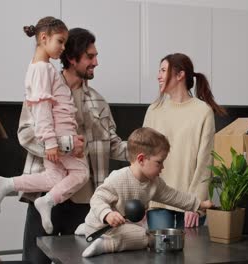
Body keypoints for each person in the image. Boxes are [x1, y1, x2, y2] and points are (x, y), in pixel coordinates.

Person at [17, 27, 128, 264]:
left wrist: (144, 151)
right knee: (35, 260)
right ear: (71, 58)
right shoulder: (43, 88)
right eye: (90, 56)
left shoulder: (98, 101)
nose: (96, 62)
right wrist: (64, 146)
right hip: (46, 196)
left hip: (84, 203)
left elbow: (113, 146)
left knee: (79, 261)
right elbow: (26, 134)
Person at [0, 16, 89, 235]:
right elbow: (42, 109)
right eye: (60, 41)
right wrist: (52, 143)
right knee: (81, 173)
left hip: (57, 134)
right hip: (60, 133)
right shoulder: (42, 69)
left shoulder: (41, 68)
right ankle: (45, 201)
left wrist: (52, 142)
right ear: (44, 38)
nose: (63, 48)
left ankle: (9, 185)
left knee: (55, 178)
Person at [74, 127, 214, 258]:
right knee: (146, 237)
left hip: (121, 227)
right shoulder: (118, 178)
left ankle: (87, 229)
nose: (162, 167)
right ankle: (104, 244)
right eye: (159, 162)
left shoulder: (154, 183)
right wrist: (108, 214)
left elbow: (174, 196)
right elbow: (97, 199)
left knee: (136, 229)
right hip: (102, 226)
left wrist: (199, 204)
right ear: (141, 159)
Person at [144, 53, 227, 229]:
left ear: (180, 75)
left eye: (163, 70)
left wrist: (195, 203)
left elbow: (205, 162)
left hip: (190, 202)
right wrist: (142, 197)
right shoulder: (154, 110)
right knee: (159, 256)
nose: (158, 76)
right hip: (158, 201)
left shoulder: (203, 111)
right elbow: (143, 157)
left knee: (192, 256)